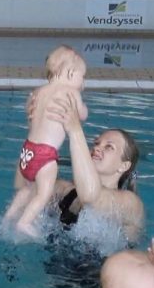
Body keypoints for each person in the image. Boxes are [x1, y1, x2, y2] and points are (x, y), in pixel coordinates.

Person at [4, 46, 88, 239]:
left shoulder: (38, 92)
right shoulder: (70, 93)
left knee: (28, 188)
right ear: (70, 73)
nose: (83, 84)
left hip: (28, 151)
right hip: (45, 154)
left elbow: (30, 110)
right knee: (44, 192)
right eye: (82, 77)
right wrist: (83, 107)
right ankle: (24, 222)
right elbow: (81, 114)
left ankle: (9, 216)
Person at [49, 94, 144, 244]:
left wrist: (75, 131)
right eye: (97, 144)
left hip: (102, 267)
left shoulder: (130, 202)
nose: (97, 148)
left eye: (109, 147)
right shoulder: (65, 190)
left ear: (124, 166)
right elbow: (27, 186)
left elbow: (91, 197)